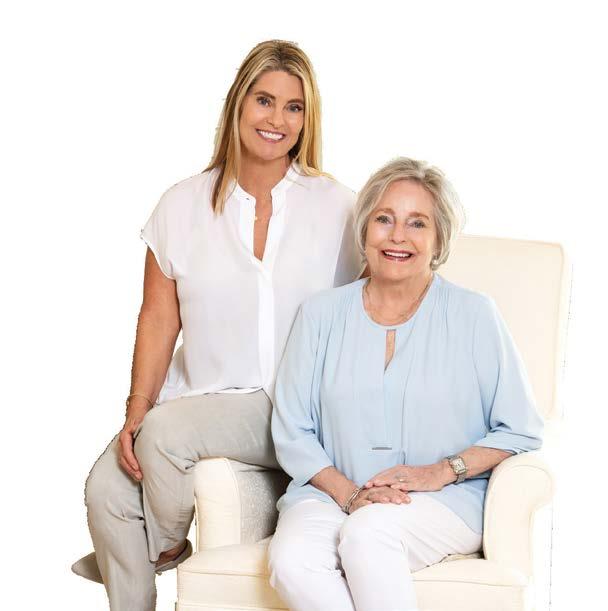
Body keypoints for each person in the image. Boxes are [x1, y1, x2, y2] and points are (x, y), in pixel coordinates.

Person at [71, 40, 361, 611]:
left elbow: (375, 305)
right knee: (104, 488)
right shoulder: (180, 206)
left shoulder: (339, 208)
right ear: (238, 104)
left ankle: (157, 545)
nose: (277, 119)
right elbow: (159, 318)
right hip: (199, 400)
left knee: (165, 435)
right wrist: (137, 407)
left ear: (308, 120)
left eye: (294, 107)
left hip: (292, 405)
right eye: (264, 100)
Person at [268, 157, 544, 611]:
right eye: (384, 219)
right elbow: (293, 430)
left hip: (444, 500)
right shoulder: (319, 315)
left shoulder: (475, 315)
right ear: (365, 230)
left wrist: (441, 471)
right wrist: (350, 494)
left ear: (439, 239)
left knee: (367, 534)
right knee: (291, 564)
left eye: (417, 223)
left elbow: (520, 429)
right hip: (329, 494)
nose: (398, 236)